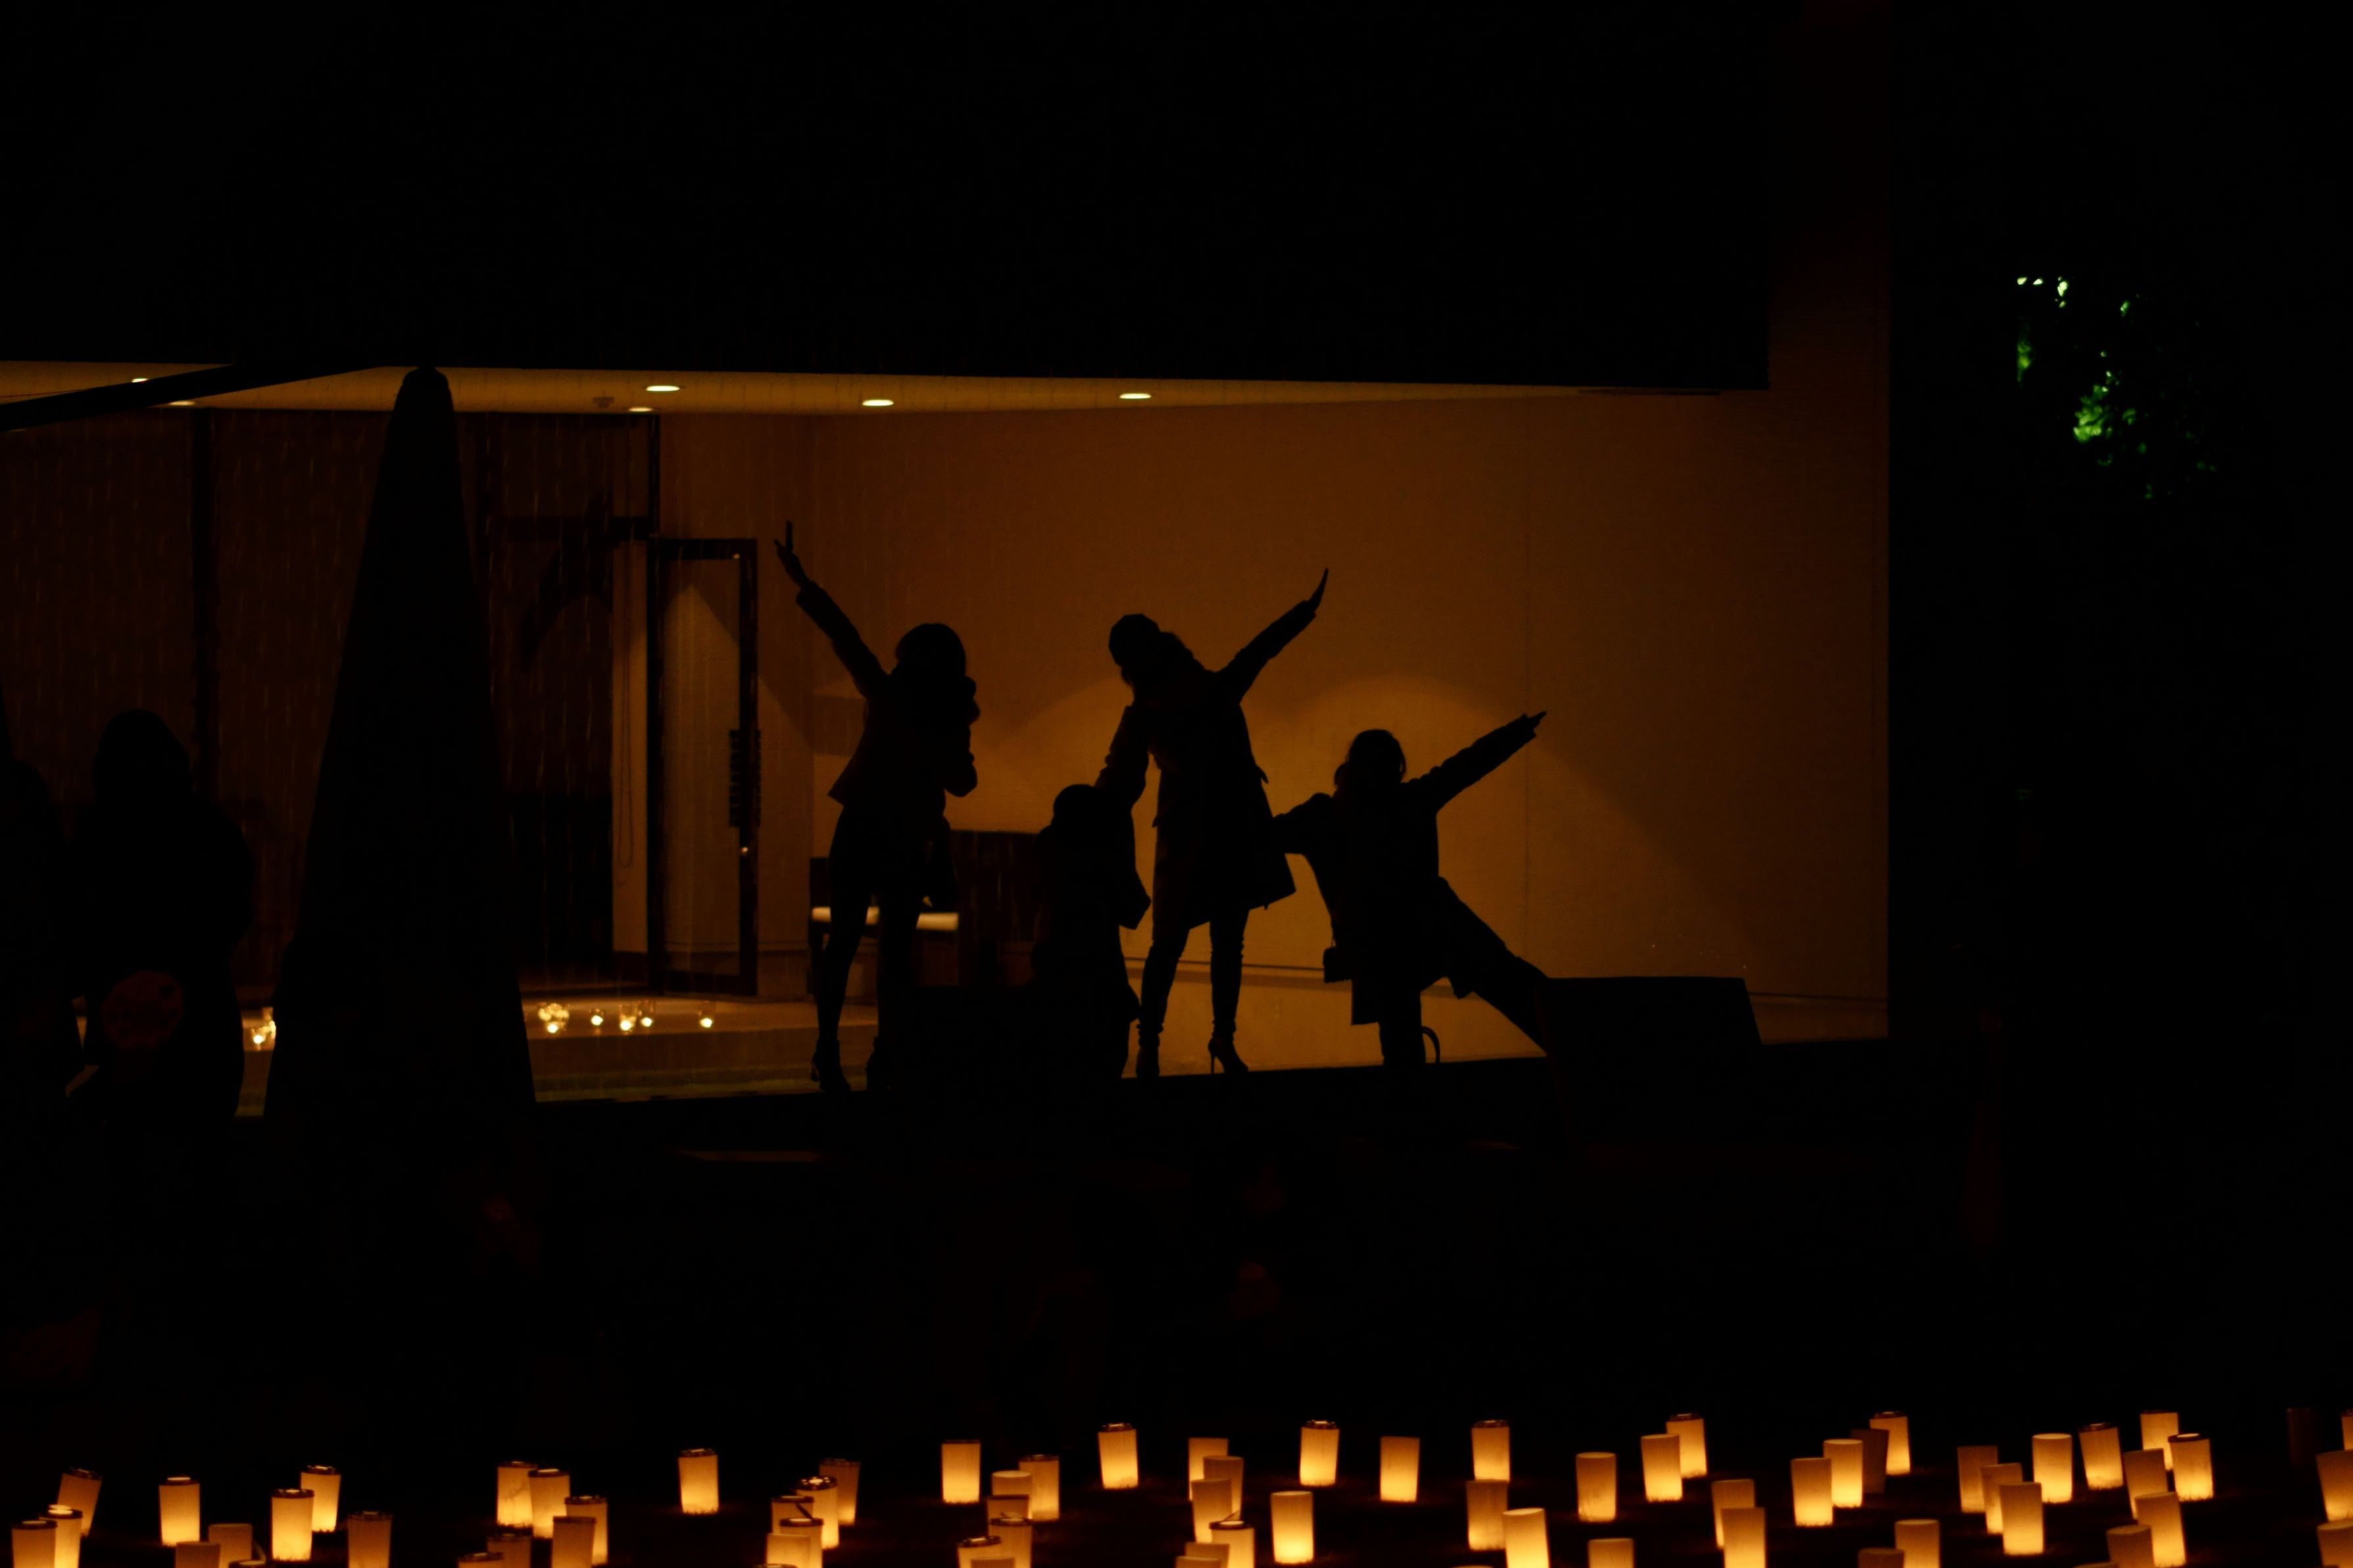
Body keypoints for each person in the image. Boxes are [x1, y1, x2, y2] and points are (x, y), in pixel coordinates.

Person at [1098, 571, 1326, 1077]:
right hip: (1214, 834)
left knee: (1193, 942)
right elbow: (1257, 654)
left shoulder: (1157, 709)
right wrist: (1301, 614)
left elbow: (1117, 778)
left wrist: (1301, 614)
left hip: (1206, 835)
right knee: (1197, 942)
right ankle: (1186, 1040)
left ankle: (1177, 1041)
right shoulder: (1189, 699)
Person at [776, 525, 977, 1092]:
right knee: (894, 954)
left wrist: (805, 584)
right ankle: (886, 1051)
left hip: (864, 823)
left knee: (845, 944)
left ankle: (831, 1048)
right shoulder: (948, 715)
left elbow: (848, 639)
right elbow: (963, 781)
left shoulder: (892, 696)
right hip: (908, 835)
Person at [1272, 715, 1552, 1068]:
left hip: (1377, 948)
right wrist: (1516, 732)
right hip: (1439, 925)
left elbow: (1262, 837)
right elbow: (1466, 766)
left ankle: (1410, 1098)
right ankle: (1576, 1039)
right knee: (1514, 985)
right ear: (1397, 769)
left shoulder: (1323, 817)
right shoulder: (1411, 800)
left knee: (1400, 1038)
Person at [1028, 782, 1150, 1084]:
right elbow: (1133, 908)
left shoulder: (1049, 846)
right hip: (1100, 978)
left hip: (1053, 970)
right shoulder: (1101, 855)